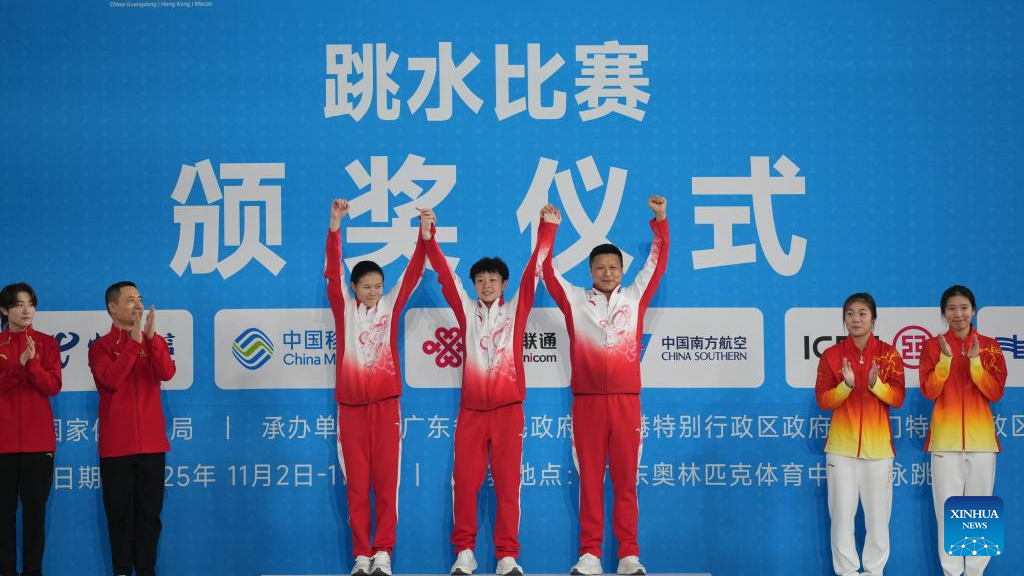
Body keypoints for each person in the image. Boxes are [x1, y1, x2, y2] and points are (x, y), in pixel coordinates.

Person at [422, 206, 560, 576]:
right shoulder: (466, 312)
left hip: (508, 411)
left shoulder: (515, 311)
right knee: (464, 483)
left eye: (493, 279)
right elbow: (444, 277)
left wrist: (547, 228)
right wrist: (429, 235)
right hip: (470, 414)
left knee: (508, 487)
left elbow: (534, 272)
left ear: (503, 285)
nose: (486, 284)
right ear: (474, 285)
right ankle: (465, 551)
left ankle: (507, 556)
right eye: (480, 279)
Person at [542, 196, 668, 576]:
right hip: (588, 404)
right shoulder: (576, 300)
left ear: (621, 269)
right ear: (591, 270)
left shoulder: (635, 296)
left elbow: (657, 264)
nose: (608, 272)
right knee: (591, 482)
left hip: (627, 402)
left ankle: (629, 554)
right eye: (600, 267)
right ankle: (590, 554)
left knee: (626, 480)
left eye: (614, 267)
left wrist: (660, 220)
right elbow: (544, 272)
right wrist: (549, 229)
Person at [326, 199, 429, 576]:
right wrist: (335, 225)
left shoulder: (389, 306)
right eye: (366, 286)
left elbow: (414, 272)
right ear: (353, 287)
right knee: (357, 486)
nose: (373, 291)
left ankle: (383, 552)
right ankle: (361, 554)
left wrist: (424, 235)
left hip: (386, 407)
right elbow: (332, 269)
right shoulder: (344, 309)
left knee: (387, 484)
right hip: (351, 408)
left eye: (378, 286)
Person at [814, 293, 905, 576]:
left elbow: (898, 398)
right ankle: (847, 572)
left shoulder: (889, 354)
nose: (856, 319)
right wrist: (846, 386)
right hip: (841, 450)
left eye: (862, 313)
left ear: (873, 318)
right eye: (850, 313)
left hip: (878, 450)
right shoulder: (831, 355)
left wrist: (877, 384)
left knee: (879, 519)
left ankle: (875, 571)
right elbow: (823, 400)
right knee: (841, 517)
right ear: (844, 319)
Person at [88, 281, 176, 576]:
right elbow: (111, 379)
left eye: (139, 299)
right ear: (112, 307)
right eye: (129, 300)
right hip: (117, 448)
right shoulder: (100, 348)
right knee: (120, 517)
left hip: (152, 446)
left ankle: (147, 570)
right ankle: (122, 571)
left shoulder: (155, 341)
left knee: (150, 516)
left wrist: (149, 340)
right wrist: (134, 343)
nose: (138, 304)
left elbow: (167, 373)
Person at [920, 285, 1007, 576]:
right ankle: (952, 572)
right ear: (943, 313)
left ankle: (976, 572)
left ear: (974, 310)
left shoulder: (990, 346)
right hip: (945, 443)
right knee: (948, 513)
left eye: (964, 308)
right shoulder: (932, 346)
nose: (958, 314)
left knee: (980, 512)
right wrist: (945, 361)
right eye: (952, 309)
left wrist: (975, 362)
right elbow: (929, 391)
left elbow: (995, 393)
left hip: (981, 442)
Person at [0, 283, 62, 576]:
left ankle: (33, 571)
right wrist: (18, 367)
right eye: (19, 305)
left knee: (35, 516)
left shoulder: (47, 343)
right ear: (4, 310)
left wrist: (33, 365)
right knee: (3, 517)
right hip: (3, 446)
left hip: (39, 446)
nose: (27, 311)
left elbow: (52, 386)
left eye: (31, 304)